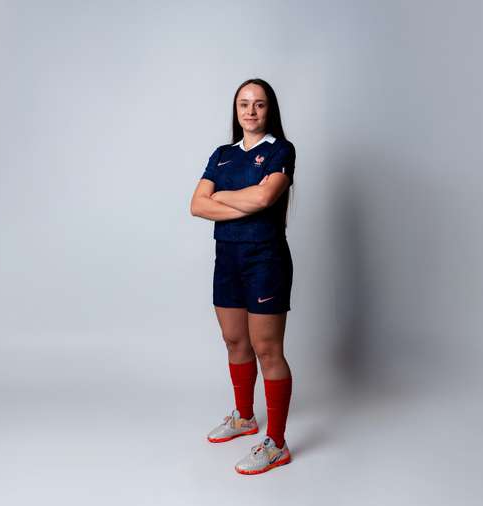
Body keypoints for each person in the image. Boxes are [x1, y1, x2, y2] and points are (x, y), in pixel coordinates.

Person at [189, 78, 296, 475]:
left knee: (267, 349)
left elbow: (266, 198)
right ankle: (245, 418)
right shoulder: (222, 155)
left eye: (259, 104)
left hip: (265, 259)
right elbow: (197, 205)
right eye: (244, 104)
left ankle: (277, 444)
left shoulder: (281, 150)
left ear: (270, 110)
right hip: (228, 259)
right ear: (236, 110)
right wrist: (243, 200)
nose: (251, 111)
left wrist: (220, 197)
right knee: (234, 341)